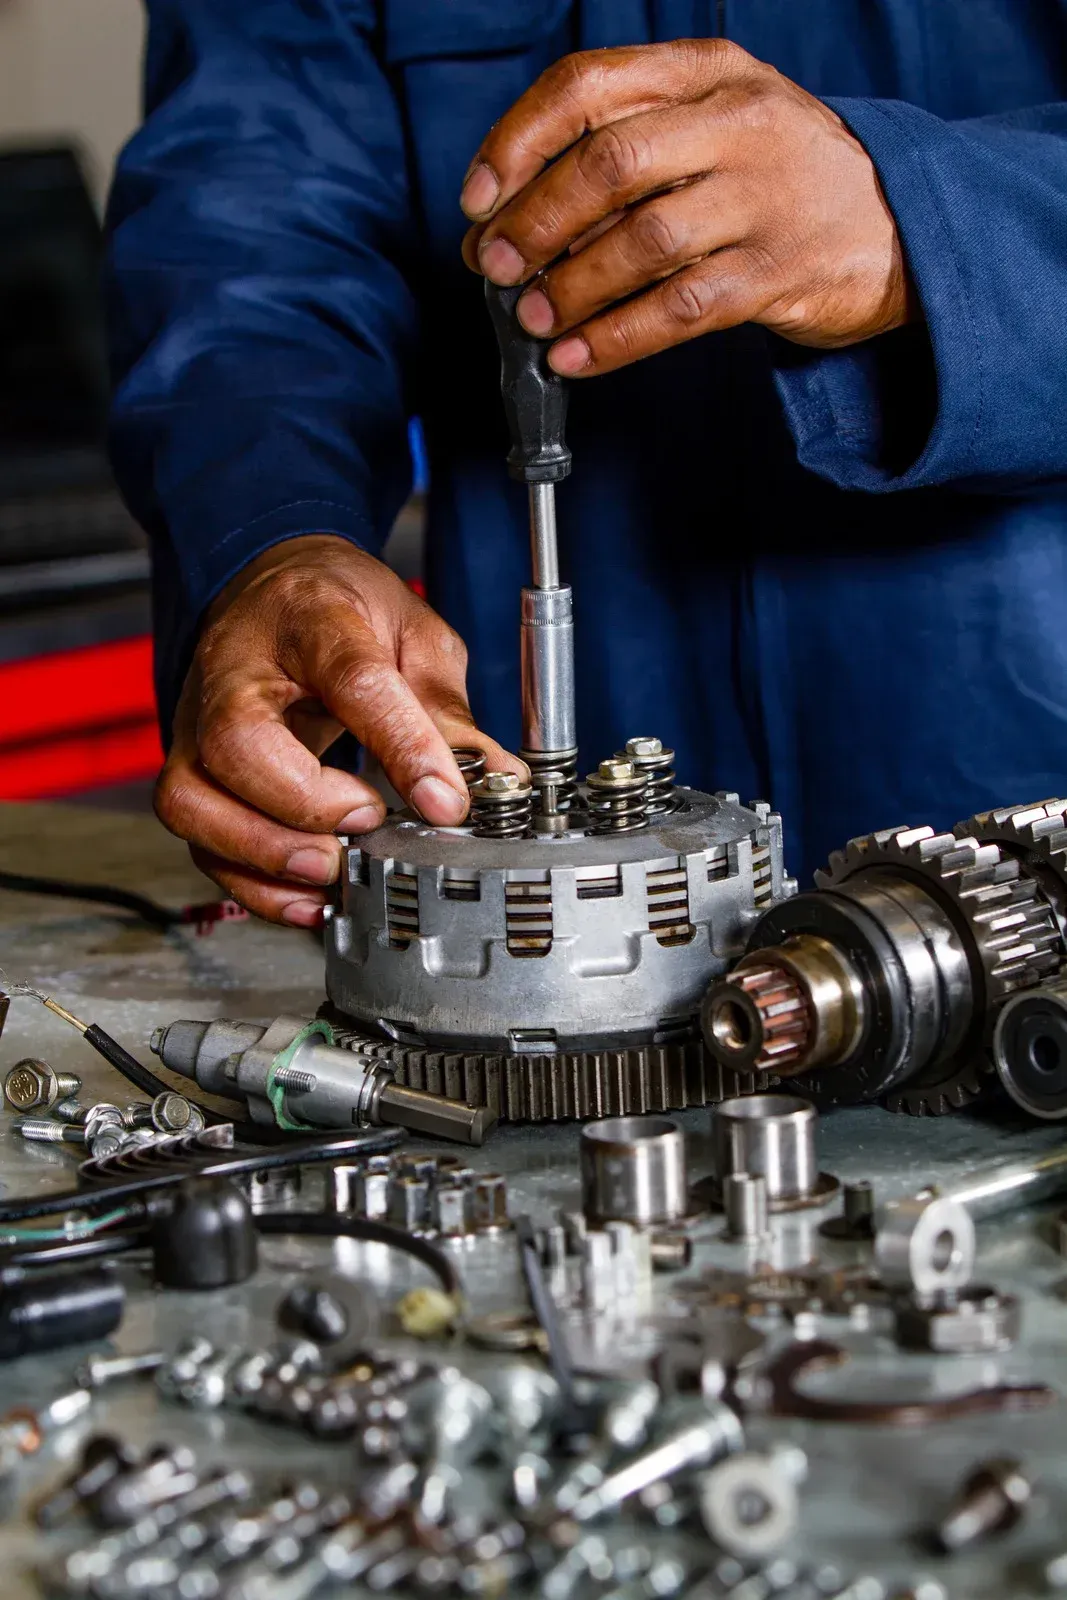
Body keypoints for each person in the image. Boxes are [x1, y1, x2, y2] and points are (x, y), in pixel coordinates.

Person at [107, 3, 1067, 924]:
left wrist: (930, 229)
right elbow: (251, 225)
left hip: (1011, 793)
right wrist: (272, 537)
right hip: (527, 843)